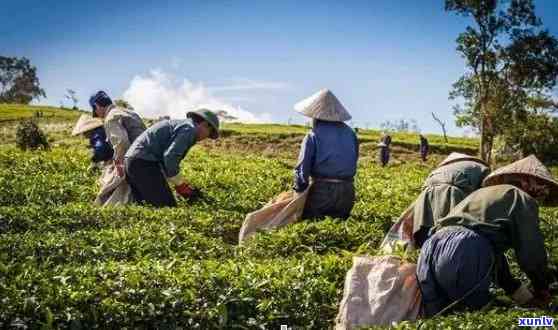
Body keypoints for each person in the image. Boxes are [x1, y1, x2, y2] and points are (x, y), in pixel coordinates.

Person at [416, 155, 557, 317]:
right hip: (463, 251)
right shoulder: (522, 198)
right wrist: (541, 287)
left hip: (430, 250)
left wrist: (520, 294)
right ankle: (546, 323)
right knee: (495, 319)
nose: (543, 194)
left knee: (442, 317)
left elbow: (495, 259)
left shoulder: (483, 195)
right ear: (527, 181)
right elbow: (531, 252)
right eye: (542, 187)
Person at [124, 109, 220, 207]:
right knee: (167, 207)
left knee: (145, 205)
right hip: (142, 162)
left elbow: (166, 161)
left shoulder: (183, 125)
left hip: (132, 161)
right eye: (209, 133)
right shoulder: (189, 129)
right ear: (204, 124)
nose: (206, 137)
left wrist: (180, 184)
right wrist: (180, 184)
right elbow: (170, 157)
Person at [293, 89, 358, 220]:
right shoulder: (351, 134)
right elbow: (354, 158)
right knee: (339, 230)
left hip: (323, 192)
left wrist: (298, 194)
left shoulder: (313, 135)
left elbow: (302, 171)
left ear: (315, 116)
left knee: (312, 226)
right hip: (347, 192)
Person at [411, 152, 490, 247]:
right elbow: (485, 197)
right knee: (451, 235)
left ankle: (424, 254)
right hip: (453, 193)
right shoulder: (481, 168)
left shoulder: (444, 168)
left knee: (427, 228)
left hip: (427, 192)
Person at [89, 91, 146, 177]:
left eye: (95, 110)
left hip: (137, 163)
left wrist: (117, 164)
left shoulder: (110, 118)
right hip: (150, 157)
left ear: (97, 106)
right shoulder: (129, 112)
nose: (97, 114)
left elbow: (121, 143)